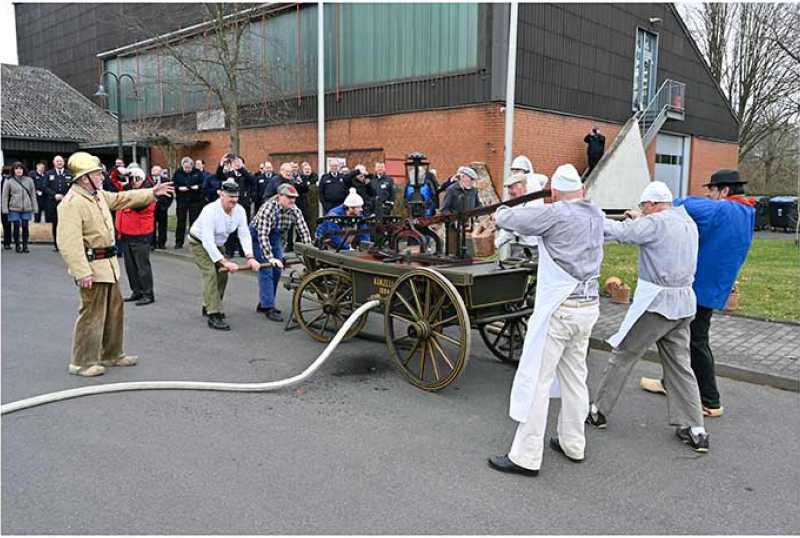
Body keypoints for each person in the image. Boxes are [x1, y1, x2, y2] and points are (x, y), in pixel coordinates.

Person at [488, 163, 603, 476]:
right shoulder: (595, 213)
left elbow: (511, 218)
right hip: (588, 307)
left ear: (554, 192)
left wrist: (500, 212)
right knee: (575, 377)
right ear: (582, 190)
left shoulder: (556, 214)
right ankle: (573, 443)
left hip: (560, 311)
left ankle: (526, 456)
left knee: (537, 381)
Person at [586, 181, 709, 453]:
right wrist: (640, 218)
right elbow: (650, 230)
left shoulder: (655, 223)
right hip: (684, 304)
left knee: (624, 355)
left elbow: (621, 232)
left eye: (644, 206)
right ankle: (695, 428)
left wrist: (591, 215)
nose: (642, 210)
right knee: (680, 366)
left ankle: (598, 411)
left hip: (657, 306)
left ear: (652, 204)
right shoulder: (686, 221)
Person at [639, 169, 755, 418]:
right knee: (677, 337)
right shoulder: (746, 212)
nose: (709, 195)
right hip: (713, 285)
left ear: (724, 191)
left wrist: (660, 205)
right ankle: (671, 383)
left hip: (701, 287)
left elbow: (686, 204)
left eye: (711, 190)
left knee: (696, 341)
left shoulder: (723, 209)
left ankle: (711, 401)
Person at [56, 152, 174, 377]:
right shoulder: (72, 203)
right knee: (91, 315)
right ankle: (82, 362)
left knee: (114, 312)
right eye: (96, 174)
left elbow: (122, 199)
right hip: (92, 267)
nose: (101, 177)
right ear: (84, 178)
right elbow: (68, 242)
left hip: (108, 266)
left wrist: (151, 192)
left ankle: (111, 354)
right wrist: (82, 272)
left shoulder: (97, 195)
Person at [189, 179, 260, 331]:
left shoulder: (240, 210)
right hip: (199, 243)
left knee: (222, 274)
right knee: (210, 273)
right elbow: (207, 241)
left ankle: (210, 304)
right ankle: (213, 313)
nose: (234, 200)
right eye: (230, 197)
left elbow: (244, 233)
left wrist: (250, 257)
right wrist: (225, 261)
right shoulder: (210, 211)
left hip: (217, 244)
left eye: (236, 197)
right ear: (221, 194)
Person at [250, 183, 312, 322]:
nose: (292, 200)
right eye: (289, 197)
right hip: (258, 237)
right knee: (267, 270)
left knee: (277, 270)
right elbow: (263, 235)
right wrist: (270, 258)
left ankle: (265, 302)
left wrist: (309, 252)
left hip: (276, 237)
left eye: (294, 198)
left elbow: (304, 231)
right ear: (279, 196)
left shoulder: (295, 210)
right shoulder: (268, 209)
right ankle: (268, 307)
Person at [116, 167, 158, 305]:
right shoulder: (132, 190)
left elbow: (137, 205)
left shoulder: (147, 193)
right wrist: (119, 171)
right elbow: (113, 182)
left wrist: (127, 192)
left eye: (135, 179)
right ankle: (137, 291)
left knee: (142, 266)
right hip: (127, 233)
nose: (132, 182)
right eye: (131, 179)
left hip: (140, 234)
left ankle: (147, 293)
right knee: (131, 267)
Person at [494, 172, 542, 260]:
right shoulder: (514, 203)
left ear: (522, 188)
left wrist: (497, 243)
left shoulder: (532, 204)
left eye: (512, 188)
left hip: (532, 247)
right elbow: (508, 226)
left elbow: (516, 228)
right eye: (509, 188)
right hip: (516, 245)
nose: (509, 192)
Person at [1, 162, 39, 253]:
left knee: (25, 226)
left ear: (23, 170)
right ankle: (17, 245)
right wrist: (4, 209)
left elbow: (33, 195)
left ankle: (25, 245)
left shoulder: (29, 180)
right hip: (14, 208)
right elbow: (5, 196)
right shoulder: (9, 181)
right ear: (13, 170)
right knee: (16, 226)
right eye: (16, 169)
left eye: (20, 168)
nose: (19, 170)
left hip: (26, 208)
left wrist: (35, 207)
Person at [173, 156, 204, 249]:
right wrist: (178, 188)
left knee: (194, 221)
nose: (187, 169)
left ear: (192, 166)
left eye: (189, 168)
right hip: (182, 200)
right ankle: (179, 242)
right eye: (185, 168)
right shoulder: (178, 173)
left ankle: (194, 241)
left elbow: (203, 184)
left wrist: (198, 187)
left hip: (194, 200)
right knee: (180, 221)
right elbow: (173, 184)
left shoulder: (197, 173)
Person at [44, 155, 72, 251]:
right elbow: (45, 187)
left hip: (67, 203)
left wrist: (66, 196)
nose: (59, 163)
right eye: (57, 161)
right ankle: (57, 245)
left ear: (63, 162)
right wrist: (54, 195)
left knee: (67, 224)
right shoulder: (49, 174)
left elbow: (72, 187)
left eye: (61, 161)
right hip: (53, 203)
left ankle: (67, 244)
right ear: (54, 162)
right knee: (56, 224)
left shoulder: (69, 174)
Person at [150, 166, 173, 250]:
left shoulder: (166, 181)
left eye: (157, 170)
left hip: (162, 208)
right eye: (154, 170)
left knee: (163, 226)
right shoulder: (148, 180)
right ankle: (152, 243)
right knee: (151, 226)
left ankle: (162, 243)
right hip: (151, 208)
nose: (155, 172)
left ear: (160, 172)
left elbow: (170, 194)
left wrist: (166, 206)